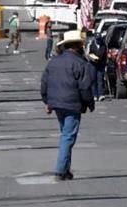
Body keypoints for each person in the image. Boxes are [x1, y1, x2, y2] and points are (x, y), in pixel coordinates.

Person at [40, 30, 96, 180]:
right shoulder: (80, 63)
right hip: (72, 103)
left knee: (65, 134)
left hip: (57, 104)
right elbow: (85, 87)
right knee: (68, 137)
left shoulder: (54, 62)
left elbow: (44, 83)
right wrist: (89, 103)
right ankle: (60, 170)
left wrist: (47, 101)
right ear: (78, 46)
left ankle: (65, 169)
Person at [86, 31, 109, 101]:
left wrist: (105, 65)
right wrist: (91, 57)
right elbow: (87, 54)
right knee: (93, 79)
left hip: (101, 64)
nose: (98, 41)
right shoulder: (91, 44)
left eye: (99, 39)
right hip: (92, 64)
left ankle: (101, 94)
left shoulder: (103, 45)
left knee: (100, 79)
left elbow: (105, 56)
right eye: (97, 39)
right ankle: (94, 95)